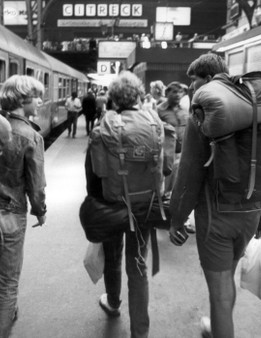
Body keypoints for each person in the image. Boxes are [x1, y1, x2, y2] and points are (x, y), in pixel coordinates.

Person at [169, 53, 261, 338]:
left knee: (220, 294)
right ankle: (217, 325)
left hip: (217, 216)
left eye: (196, 82)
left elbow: (188, 172)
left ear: (210, 78)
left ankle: (219, 327)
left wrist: (177, 218)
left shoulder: (203, 111)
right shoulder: (254, 104)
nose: (193, 90)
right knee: (227, 281)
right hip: (251, 212)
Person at [85, 71, 163, 338]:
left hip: (112, 204)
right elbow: (164, 169)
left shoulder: (103, 127)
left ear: (113, 100)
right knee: (138, 266)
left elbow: (94, 174)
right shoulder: (155, 124)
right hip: (145, 207)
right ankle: (140, 331)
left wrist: (96, 205)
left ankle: (113, 302)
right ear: (139, 97)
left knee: (113, 257)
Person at [0, 75, 47, 338]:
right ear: (23, 100)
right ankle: (1, 330)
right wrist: (40, 210)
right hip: (11, 215)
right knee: (8, 284)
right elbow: (36, 186)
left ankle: (5, 315)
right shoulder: (29, 135)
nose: (40, 101)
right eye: (37, 96)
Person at [156, 82, 194, 233]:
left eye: (179, 92)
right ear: (167, 93)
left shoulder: (185, 110)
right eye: (174, 92)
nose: (178, 95)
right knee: (165, 189)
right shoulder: (159, 110)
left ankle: (182, 220)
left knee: (183, 189)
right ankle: (163, 217)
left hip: (184, 155)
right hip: (166, 156)